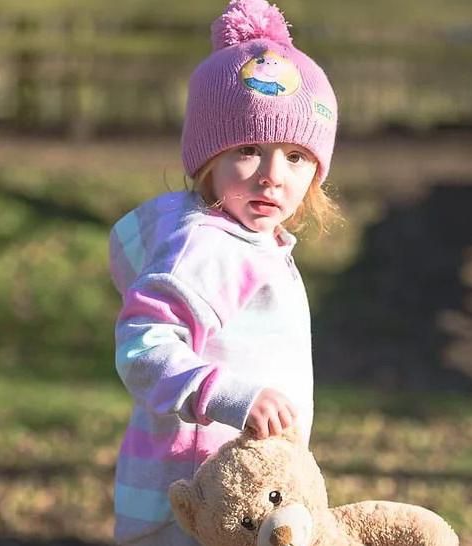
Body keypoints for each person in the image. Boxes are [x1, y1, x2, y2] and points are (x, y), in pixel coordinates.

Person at [107, 0, 338, 543]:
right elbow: (143, 344)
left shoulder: (255, 242)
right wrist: (230, 395)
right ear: (208, 157)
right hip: (195, 497)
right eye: (249, 149)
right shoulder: (210, 246)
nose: (273, 176)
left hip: (240, 488)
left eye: (297, 156)